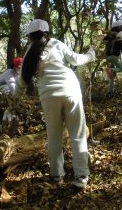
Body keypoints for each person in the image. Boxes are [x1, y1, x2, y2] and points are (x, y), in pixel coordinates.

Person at [15, 19, 96, 189]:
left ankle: (57, 175)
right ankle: (81, 176)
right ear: (46, 32)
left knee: (54, 137)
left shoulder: (30, 53)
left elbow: (22, 81)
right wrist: (90, 55)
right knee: (78, 134)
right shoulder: (56, 44)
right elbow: (75, 60)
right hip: (71, 91)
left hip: (48, 96)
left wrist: (13, 102)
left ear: (30, 36)